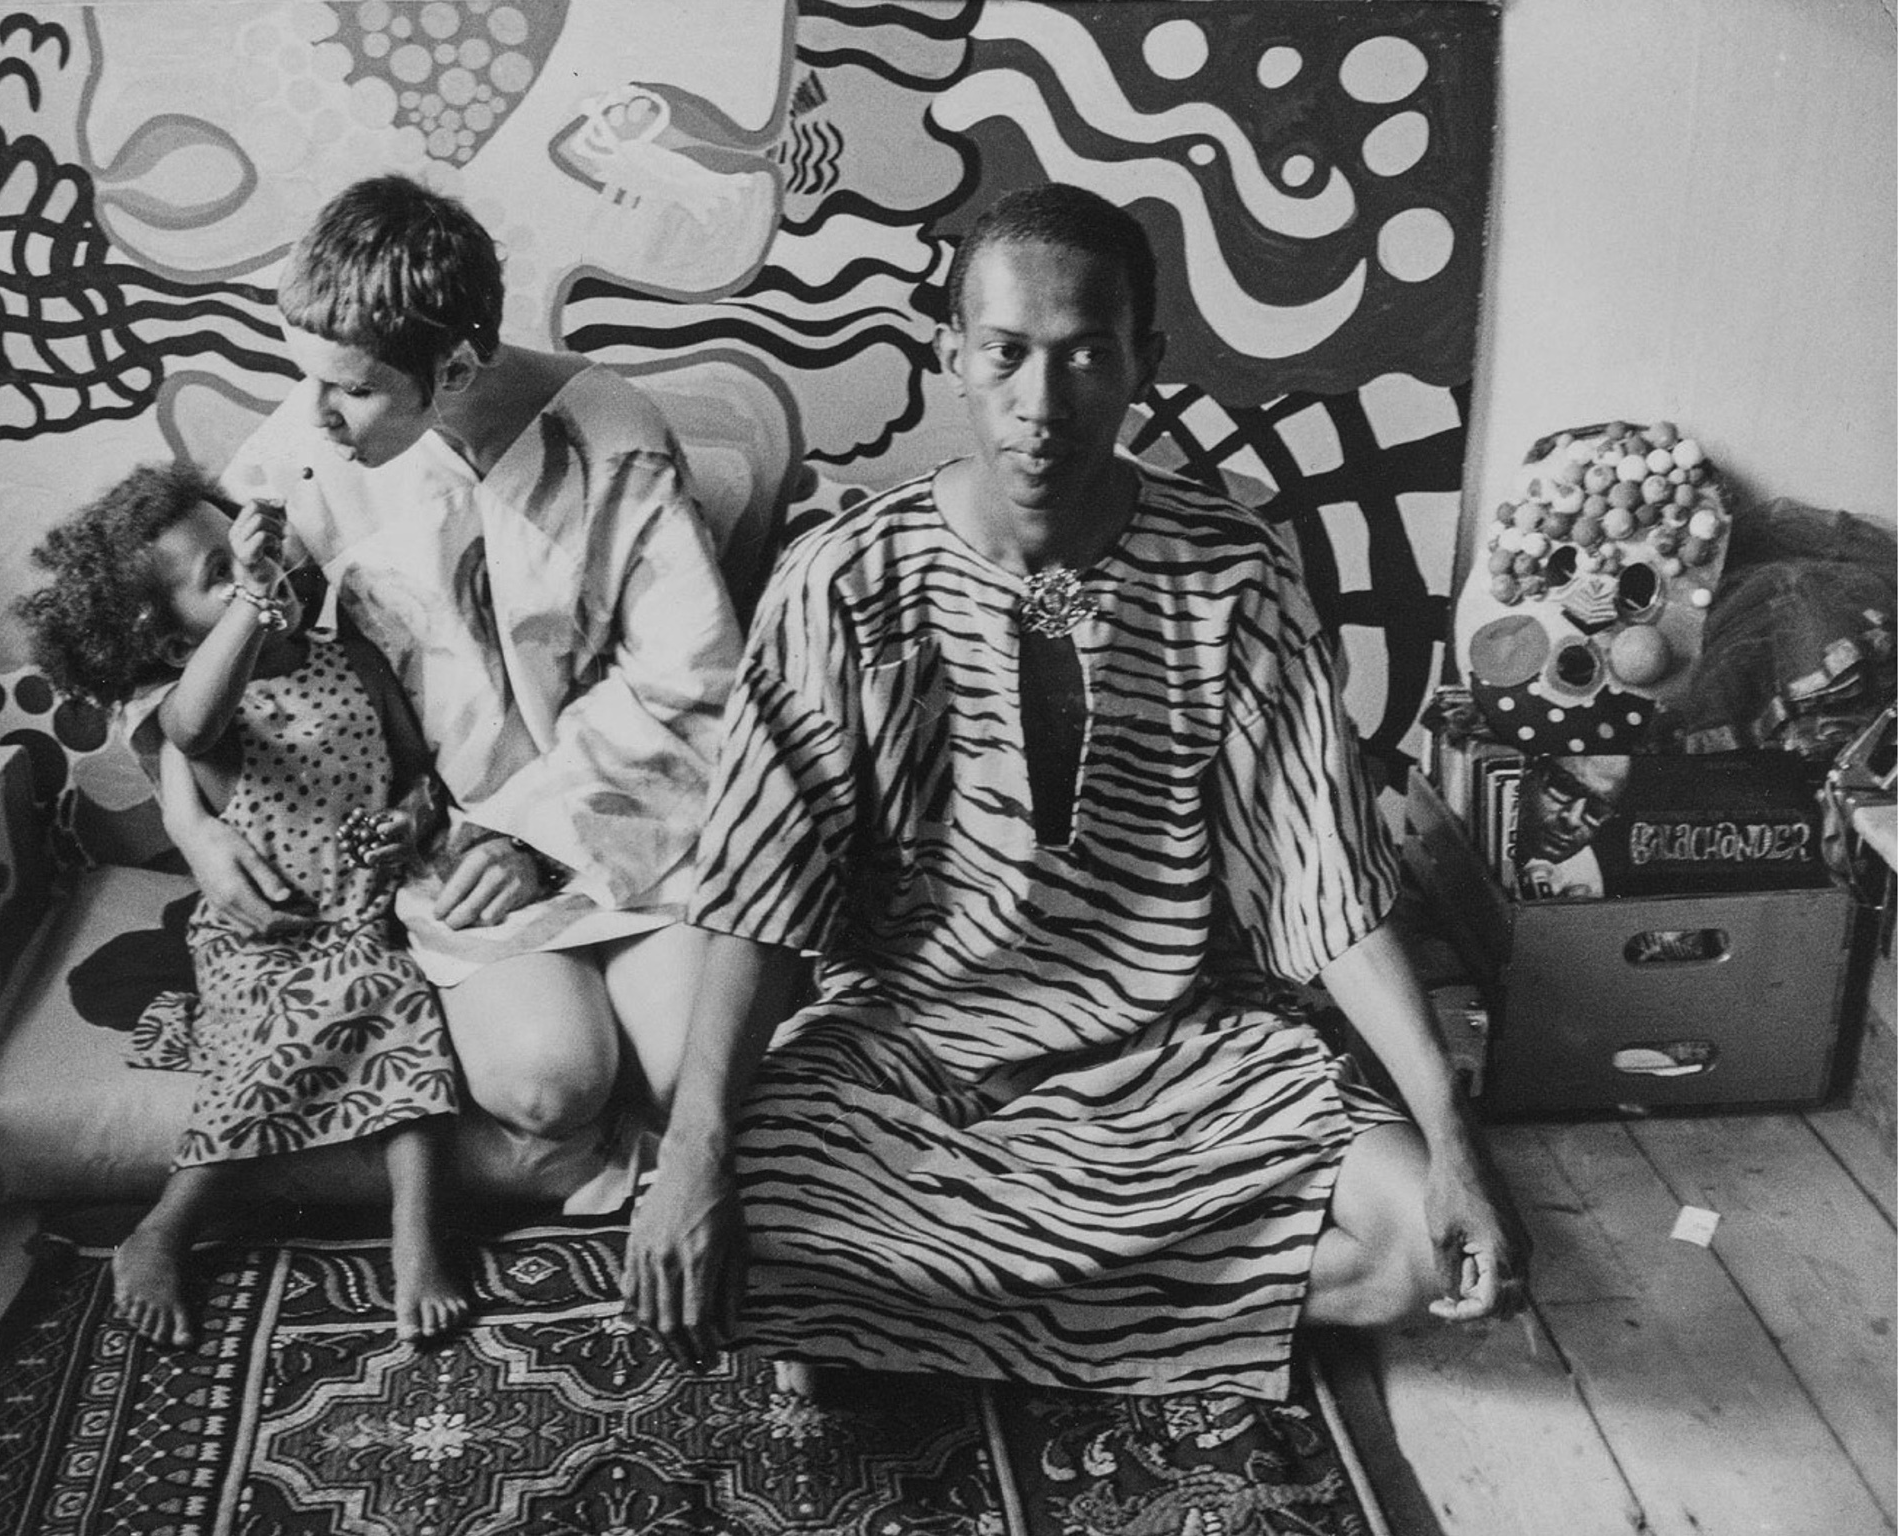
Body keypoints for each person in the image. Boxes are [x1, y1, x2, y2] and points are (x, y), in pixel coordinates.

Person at [625, 182, 1527, 1399]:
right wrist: (690, 1152)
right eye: (1003, 355)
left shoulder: (1233, 572)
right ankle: (1126, 1315)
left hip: (1177, 1053)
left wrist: (1452, 1137)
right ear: (954, 355)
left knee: (1421, 1248)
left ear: (1141, 363)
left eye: (1083, 355)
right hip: (910, 1056)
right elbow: (760, 901)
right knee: (744, 1233)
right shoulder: (840, 579)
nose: (1039, 404)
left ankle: (947, 1319)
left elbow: (1331, 888)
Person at [149, 174, 742, 1202]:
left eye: (354, 390)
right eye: (308, 380)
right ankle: (573, 1142)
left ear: (456, 363)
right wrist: (195, 832)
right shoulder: (306, 449)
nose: (318, 419)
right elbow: (196, 683)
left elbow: (692, 686)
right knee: (551, 1085)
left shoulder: (611, 434)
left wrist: (539, 840)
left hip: (643, 828)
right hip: (453, 843)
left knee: (712, 1071)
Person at [18, 463, 467, 1347]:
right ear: (164, 636)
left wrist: (408, 822)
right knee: (275, 1034)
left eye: (243, 555)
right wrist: (252, 602)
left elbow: (418, 772)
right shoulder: (180, 708)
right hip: (257, 936)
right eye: (213, 579)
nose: (250, 582)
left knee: (403, 1009)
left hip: (363, 914)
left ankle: (419, 1237)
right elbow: (195, 725)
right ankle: (161, 1231)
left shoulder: (350, 661)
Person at [1514, 753, 1631, 898]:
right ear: (1526, 773)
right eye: (1564, 788)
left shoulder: (1582, 875)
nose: (1572, 820)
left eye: (1596, 809)